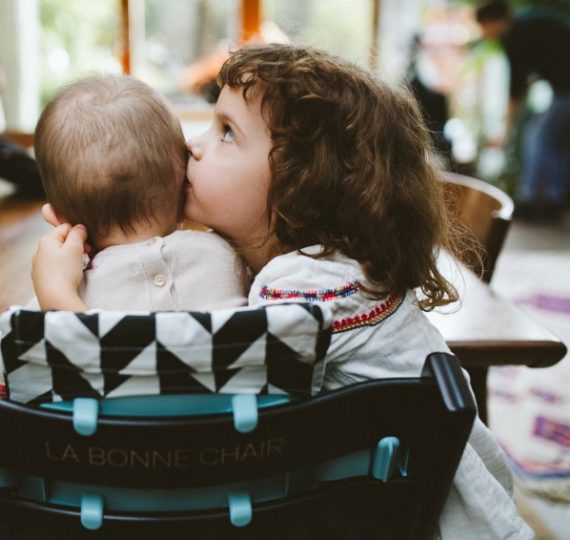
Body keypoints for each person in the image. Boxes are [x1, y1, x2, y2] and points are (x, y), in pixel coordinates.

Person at [33, 44, 533, 539]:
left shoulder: (305, 295)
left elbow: (161, 389)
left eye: (227, 133)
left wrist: (60, 300)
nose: (194, 146)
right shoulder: (330, 272)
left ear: (302, 185)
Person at [0, 75, 248, 394]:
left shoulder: (57, 301)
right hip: (221, 441)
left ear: (58, 218)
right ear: (184, 188)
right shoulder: (228, 258)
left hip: (100, 443)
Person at [475, 0, 570, 220]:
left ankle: (533, 199)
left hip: (566, 90)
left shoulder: (514, 35)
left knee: (537, 137)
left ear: (493, 22)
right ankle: (554, 199)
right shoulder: (530, 21)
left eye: (484, 28)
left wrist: (506, 130)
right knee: (559, 144)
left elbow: (516, 88)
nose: (486, 34)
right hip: (562, 89)